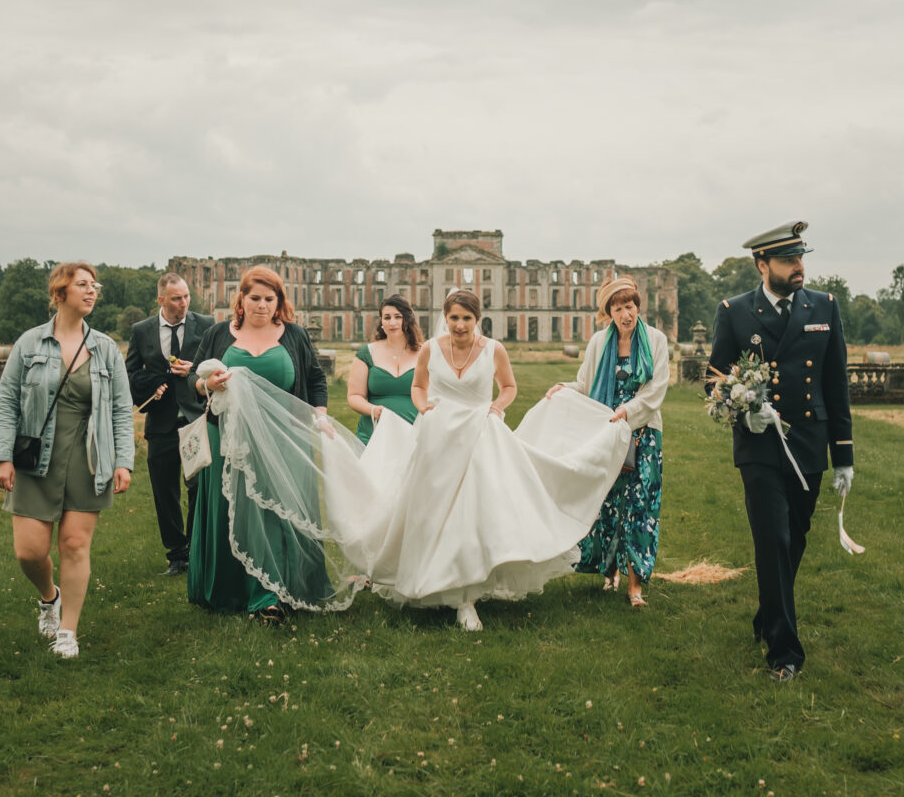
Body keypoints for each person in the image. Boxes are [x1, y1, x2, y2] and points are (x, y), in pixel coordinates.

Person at [353, 291, 631, 631]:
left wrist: (497, 407)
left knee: (472, 514)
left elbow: (509, 386)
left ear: (477, 319)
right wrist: (424, 406)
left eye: (466, 319)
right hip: (437, 437)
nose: (459, 325)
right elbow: (419, 385)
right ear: (446, 317)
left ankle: (466, 599)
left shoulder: (494, 350)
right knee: (430, 511)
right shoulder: (430, 349)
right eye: (453, 318)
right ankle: (430, 579)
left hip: (479, 435)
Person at [706, 220, 853, 682]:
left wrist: (843, 454)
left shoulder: (824, 306)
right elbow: (713, 377)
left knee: (796, 538)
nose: (799, 268)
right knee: (773, 542)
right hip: (760, 448)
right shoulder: (734, 312)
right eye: (789, 260)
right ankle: (785, 654)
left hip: (810, 441)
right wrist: (740, 407)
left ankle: (768, 613)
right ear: (762, 264)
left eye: (801, 258)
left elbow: (835, 383)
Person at [0, 262, 134, 659]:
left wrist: (124, 461)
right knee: (30, 552)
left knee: (73, 544)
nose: (92, 291)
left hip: (88, 457)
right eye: (83, 285)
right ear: (60, 293)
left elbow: (122, 410)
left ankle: (68, 630)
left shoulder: (105, 348)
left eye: (95, 285)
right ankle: (48, 597)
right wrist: (2, 457)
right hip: (37, 457)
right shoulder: (30, 344)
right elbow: (6, 402)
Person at [186, 266, 341, 620]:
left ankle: (270, 595)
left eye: (269, 299)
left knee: (274, 512)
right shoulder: (217, 334)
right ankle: (231, 590)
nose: (261, 305)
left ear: (279, 302)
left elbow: (315, 378)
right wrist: (207, 385)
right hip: (227, 438)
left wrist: (319, 415)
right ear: (240, 299)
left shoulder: (295, 335)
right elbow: (194, 379)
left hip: (282, 438)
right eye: (254, 298)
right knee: (232, 510)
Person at [548, 276, 671, 608]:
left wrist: (628, 412)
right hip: (607, 434)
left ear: (637, 307)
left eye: (629, 306)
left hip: (641, 434)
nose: (625, 314)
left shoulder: (656, 341)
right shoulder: (600, 343)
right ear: (609, 313)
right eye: (617, 308)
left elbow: (656, 389)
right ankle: (609, 572)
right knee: (609, 501)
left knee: (641, 504)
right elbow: (585, 383)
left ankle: (635, 584)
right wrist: (565, 389)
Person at [126, 272, 214, 576]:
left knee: (198, 487)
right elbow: (131, 374)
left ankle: (197, 550)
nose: (184, 303)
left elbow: (220, 365)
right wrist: (152, 386)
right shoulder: (141, 331)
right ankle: (176, 555)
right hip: (161, 422)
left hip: (196, 417)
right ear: (161, 300)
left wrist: (196, 371)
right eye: (177, 298)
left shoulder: (207, 324)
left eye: (187, 296)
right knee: (164, 492)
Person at [346, 294, 424, 445]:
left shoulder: (425, 353)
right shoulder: (366, 353)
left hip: (414, 435)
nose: (392, 322)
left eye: (397, 317)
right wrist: (373, 409)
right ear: (381, 321)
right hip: (373, 435)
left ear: (407, 320)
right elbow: (354, 395)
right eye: (387, 317)